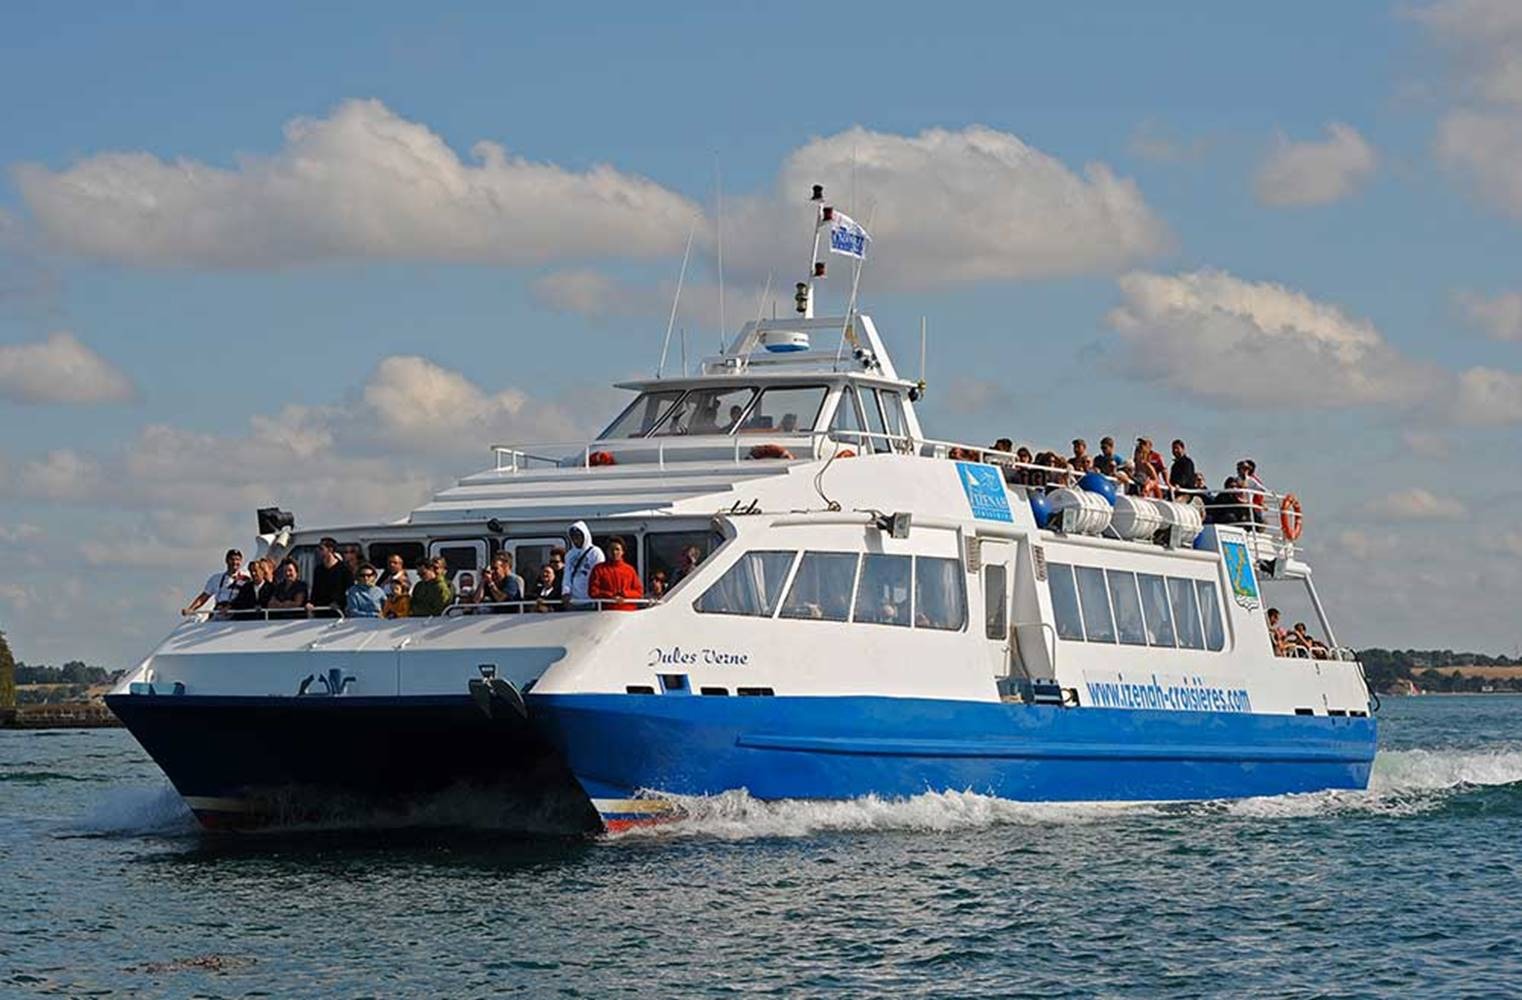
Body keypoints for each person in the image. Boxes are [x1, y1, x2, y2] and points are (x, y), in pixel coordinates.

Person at [183, 548, 249, 617]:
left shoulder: (245, 579)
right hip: (218, 612)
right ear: (226, 560)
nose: (234, 562)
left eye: (237, 559)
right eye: (232, 559)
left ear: (241, 561)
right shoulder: (216, 578)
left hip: (235, 613)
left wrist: (231, 607)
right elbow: (203, 597)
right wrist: (191, 609)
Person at [588, 538, 643, 610]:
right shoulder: (598, 569)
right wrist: (611, 596)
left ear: (622, 551)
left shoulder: (630, 570)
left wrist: (625, 594)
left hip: (628, 613)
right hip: (605, 613)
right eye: (611, 549)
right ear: (607, 551)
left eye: (617, 549)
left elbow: (639, 591)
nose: (614, 552)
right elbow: (593, 591)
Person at [564, 521, 607, 607]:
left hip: (590, 600)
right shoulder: (569, 554)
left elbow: (600, 575)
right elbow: (567, 576)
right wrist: (565, 592)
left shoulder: (595, 552)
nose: (576, 539)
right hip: (573, 601)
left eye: (578, 536)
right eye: (573, 537)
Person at [308, 537, 353, 613]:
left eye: (321, 549)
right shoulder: (318, 570)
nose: (318, 551)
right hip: (320, 611)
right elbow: (315, 590)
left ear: (330, 550)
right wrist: (311, 603)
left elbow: (349, 591)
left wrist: (339, 603)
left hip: (338, 611)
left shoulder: (344, 569)